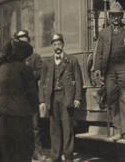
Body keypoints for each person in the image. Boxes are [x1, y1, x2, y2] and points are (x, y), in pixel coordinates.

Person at [0, 39, 37, 162]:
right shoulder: (25, 69)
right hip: (20, 113)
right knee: (19, 151)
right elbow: (32, 93)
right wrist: (33, 109)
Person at [93, 2, 125, 141]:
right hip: (110, 70)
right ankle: (118, 129)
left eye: (118, 15)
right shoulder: (104, 33)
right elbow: (99, 52)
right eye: (113, 15)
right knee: (112, 99)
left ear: (122, 16)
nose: (116, 18)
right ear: (109, 16)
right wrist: (97, 69)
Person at [39, 33, 82, 162]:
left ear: (63, 45)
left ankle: (68, 156)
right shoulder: (47, 62)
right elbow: (42, 83)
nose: (57, 47)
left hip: (66, 97)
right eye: (55, 44)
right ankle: (55, 156)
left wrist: (77, 98)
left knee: (67, 128)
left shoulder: (71, 60)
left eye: (59, 44)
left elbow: (79, 81)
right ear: (52, 46)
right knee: (54, 129)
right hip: (52, 98)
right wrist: (42, 101)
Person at [14, 30, 45, 160]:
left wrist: (25, 75)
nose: (23, 41)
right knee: (18, 126)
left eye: (25, 39)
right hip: (17, 97)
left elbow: (40, 73)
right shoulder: (14, 58)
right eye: (20, 39)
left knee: (35, 126)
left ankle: (37, 152)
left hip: (31, 96)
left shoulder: (35, 57)